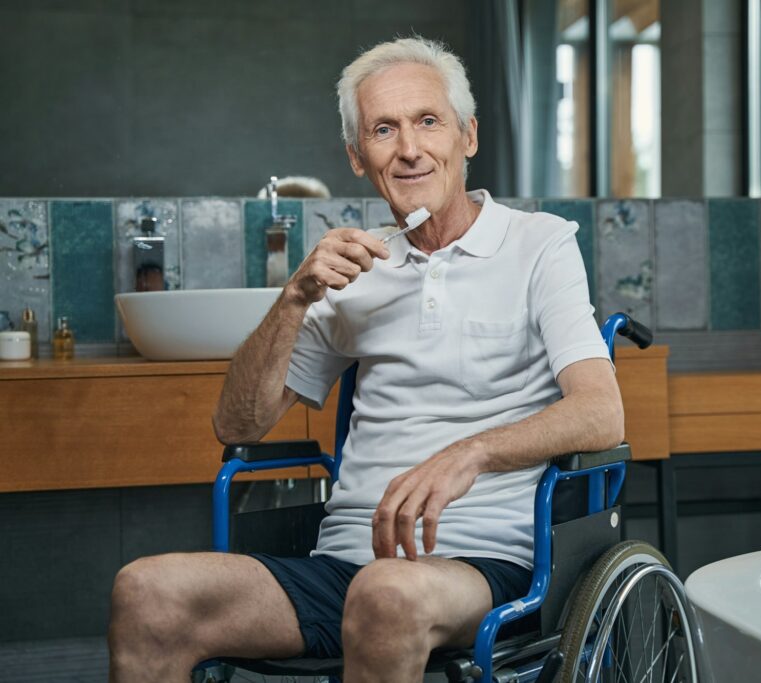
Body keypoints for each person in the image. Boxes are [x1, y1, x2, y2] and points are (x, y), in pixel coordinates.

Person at [107, 36, 623, 683]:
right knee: (146, 591)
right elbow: (238, 425)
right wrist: (294, 298)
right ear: (358, 156)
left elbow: (602, 413)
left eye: (427, 121)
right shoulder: (357, 269)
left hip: (486, 562)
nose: (408, 148)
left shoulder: (539, 245)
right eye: (384, 129)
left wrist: (469, 452)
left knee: (387, 593)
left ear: (468, 136)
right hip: (344, 562)